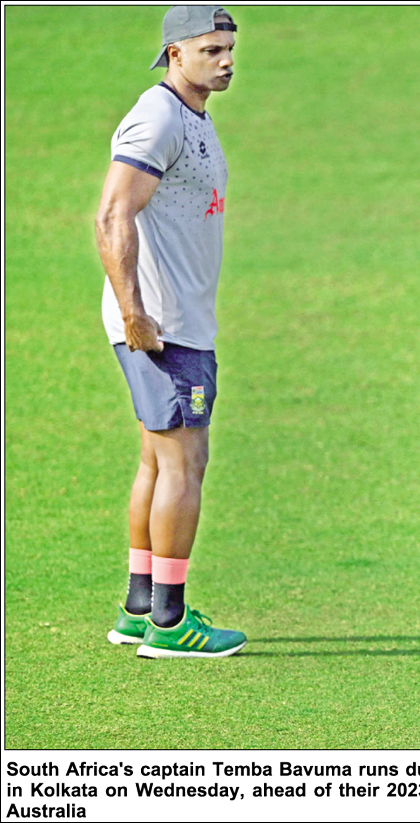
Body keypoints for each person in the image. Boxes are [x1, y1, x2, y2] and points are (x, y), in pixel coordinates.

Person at [95, 6, 245, 658]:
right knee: (184, 462)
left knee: (161, 460)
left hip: (177, 320)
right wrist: (134, 313)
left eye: (230, 48)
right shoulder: (157, 116)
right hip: (162, 325)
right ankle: (170, 620)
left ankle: (140, 606)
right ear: (175, 54)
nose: (227, 60)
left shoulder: (192, 115)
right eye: (211, 50)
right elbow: (112, 214)